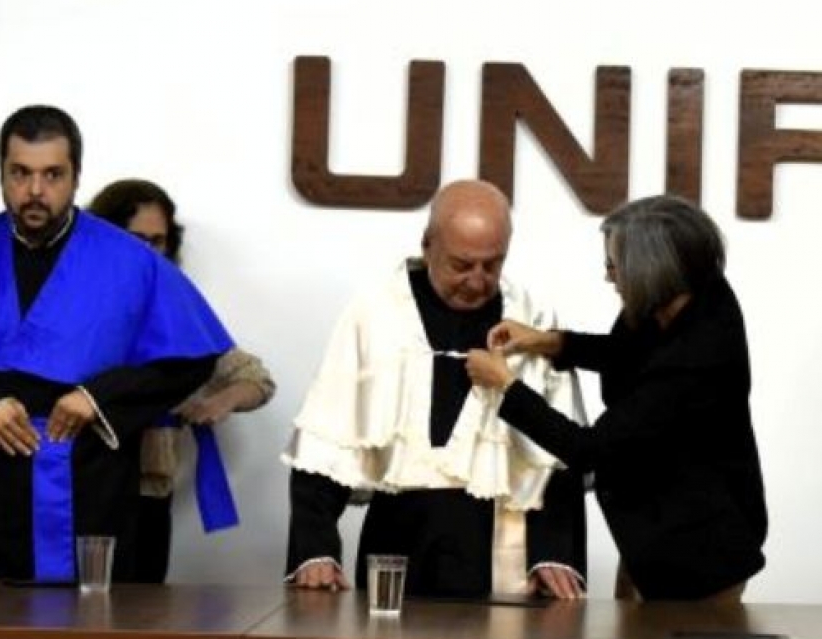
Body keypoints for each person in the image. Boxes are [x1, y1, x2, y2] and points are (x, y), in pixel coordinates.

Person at [0, 105, 234, 582]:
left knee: (85, 616)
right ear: (1, 173)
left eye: (52, 174)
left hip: (87, 475)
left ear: (75, 177)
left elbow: (193, 357)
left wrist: (99, 398)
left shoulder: (129, 258)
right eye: (20, 173)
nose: (35, 190)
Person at [283, 180, 588, 600]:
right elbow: (324, 440)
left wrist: (554, 552)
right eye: (462, 265)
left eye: (492, 265)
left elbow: (558, 451)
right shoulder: (374, 316)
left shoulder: (532, 318)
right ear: (428, 246)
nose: (477, 282)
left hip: (503, 544)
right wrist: (315, 550)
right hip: (397, 538)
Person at [467, 194, 767, 602]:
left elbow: (587, 449)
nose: (608, 277)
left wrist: (505, 385)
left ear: (652, 270)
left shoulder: (697, 356)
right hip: (653, 533)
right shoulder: (684, 297)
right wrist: (549, 341)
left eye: (614, 265)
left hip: (701, 553)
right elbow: (630, 355)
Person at [89, 178, 275, 582]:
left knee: (142, 609)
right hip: (81, 487)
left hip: (149, 495)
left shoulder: (175, 311)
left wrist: (219, 402)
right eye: (135, 239)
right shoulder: (75, 303)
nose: (147, 251)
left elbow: (256, 379)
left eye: (156, 241)